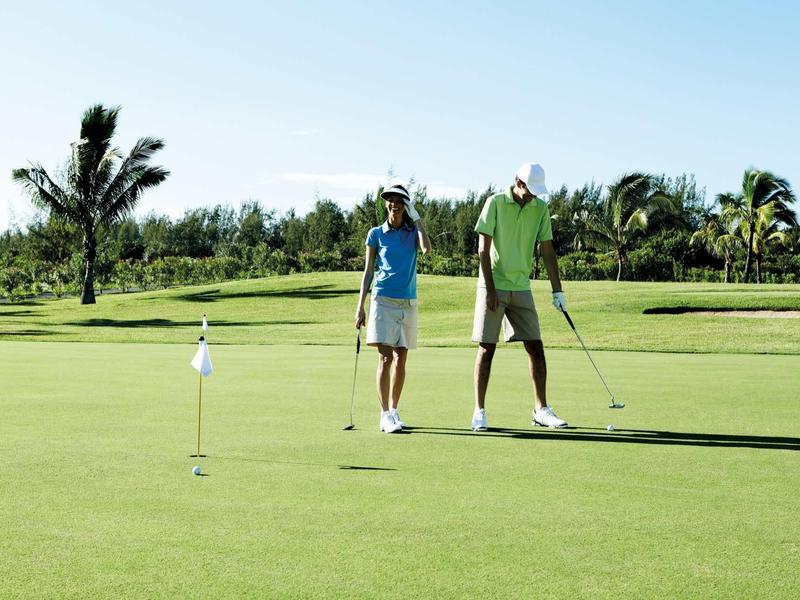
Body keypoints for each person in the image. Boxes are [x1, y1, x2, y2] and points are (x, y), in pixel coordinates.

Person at [471, 162, 568, 431]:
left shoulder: (540, 208)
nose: (531, 196)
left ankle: (541, 410)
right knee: (487, 348)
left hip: (521, 286)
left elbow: (547, 251)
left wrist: (557, 290)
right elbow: (483, 249)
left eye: (536, 192)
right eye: (528, 190)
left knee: (536, 347)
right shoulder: (495, 203)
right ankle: (479, 411)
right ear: (518, 182)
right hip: (493, 284)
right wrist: (490, 289)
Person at [355, 182, 432, 433]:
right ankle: (384, 414)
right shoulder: (376, 233)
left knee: (401, 358)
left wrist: (416, 217)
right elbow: (368, 271)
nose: (394, 204)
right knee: (386, 357)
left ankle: (394, 410)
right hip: (383, 300)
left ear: (406, 205)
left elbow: (427, 249)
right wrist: (360, 306)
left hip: (408, 302)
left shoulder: (412, 233)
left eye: (400, 201)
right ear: (385, 203)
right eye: (390, 200)